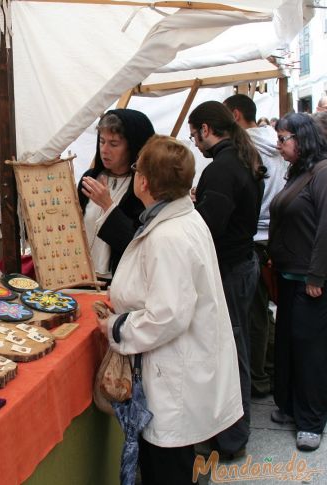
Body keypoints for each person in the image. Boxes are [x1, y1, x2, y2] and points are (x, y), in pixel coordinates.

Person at [98, 135, 242, 483]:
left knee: (169, 468)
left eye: (137, 169)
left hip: (174, 374)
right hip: (178, 367)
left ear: (144, 181)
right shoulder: (177, 221)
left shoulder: (170, 236)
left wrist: (117, 328)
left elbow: (167, 315)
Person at [187, 100, 264, 458]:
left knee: (232, 354)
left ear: (206, 129)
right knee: (237, 347)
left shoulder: (221, 168)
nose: (194, 142)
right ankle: (232, 432)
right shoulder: (240, 160)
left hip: (231, 269)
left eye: (194, 133)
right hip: (243, 262)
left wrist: (191, 211)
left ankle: (233, 438)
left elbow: (207, 228)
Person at [269, 112, 327, 451]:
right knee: (291, 344)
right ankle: (292, 406)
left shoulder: (321, 172)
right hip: (291, 276)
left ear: (302, 139)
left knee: (310, 350)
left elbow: (325, 229)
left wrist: (317, 275)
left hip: (309, 280)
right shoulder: (300, 172)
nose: (278, 145)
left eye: (283, 138)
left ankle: (311, 421)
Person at [224, 94, 287, 399]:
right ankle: (270, 370)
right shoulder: (276, 143)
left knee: (254, 314)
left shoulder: (244, 148)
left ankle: (260, 377)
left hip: (255, 237)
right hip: (275, 233)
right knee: (264, 310)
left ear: (235, 115)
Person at [77, 109, 155, 282]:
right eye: (102, 141)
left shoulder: (143, 186)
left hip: (118, 281)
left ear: (133, 146)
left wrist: (108, 205)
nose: (104, 150)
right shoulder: (90, 177)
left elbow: (137, 244)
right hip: (83, 276)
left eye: (113, 144)